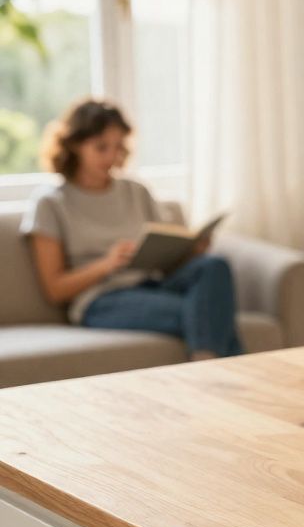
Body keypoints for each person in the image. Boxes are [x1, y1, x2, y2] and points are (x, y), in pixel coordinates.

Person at [21, 98, 243, 360]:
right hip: (101, 299)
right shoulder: (50, 203)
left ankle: (210, 369)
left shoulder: (136, 191)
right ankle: (214, 370)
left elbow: (166, 261)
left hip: (153, 284)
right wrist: (107, 264)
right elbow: (55, 289)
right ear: (74, 145)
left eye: (118, 147)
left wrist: (190, 251)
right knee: (205, 310)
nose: (112, 157)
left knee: (214, 265)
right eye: (101, 147)